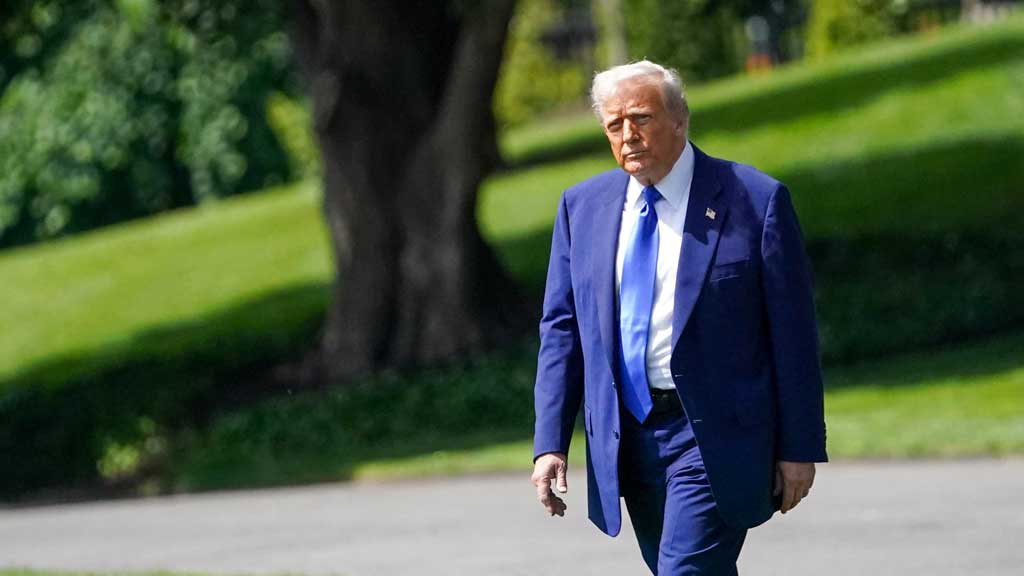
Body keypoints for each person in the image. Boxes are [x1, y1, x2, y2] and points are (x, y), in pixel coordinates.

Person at [530, 60, 827, 575]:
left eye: (641, 118)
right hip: (631, 438)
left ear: (681, 119)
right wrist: (549, 442)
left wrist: (799, 447)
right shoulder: (582, 208)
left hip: (714, 436)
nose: (629, 135)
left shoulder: (753, 201)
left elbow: (793, 335)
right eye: (614, 125)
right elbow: (562, 332)